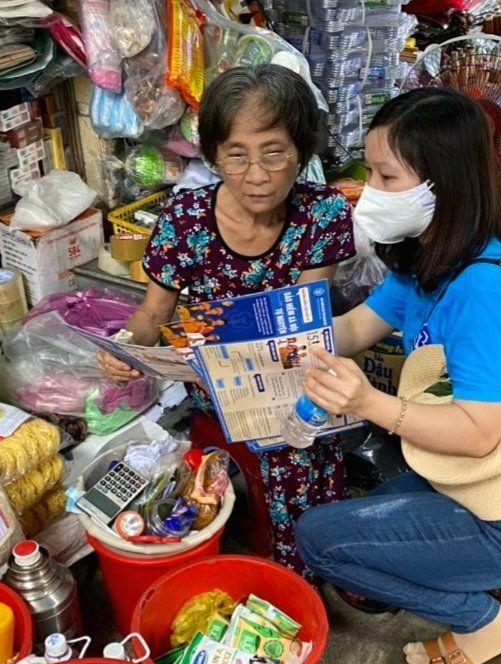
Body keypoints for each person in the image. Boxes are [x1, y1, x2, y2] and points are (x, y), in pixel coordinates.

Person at [295, 88, 501, 664]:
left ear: (440, 184)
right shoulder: (431, 258)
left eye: (387, 176)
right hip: (494, 485)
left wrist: (367, 402)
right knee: (374, 482)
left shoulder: (480, 291)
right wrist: (272, 346)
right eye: (371, 172)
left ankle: (488, 626)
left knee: (321, 541)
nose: (370, 192)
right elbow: (359, 325)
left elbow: (479, 434)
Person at [98, 65, 355, 578]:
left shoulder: (322, 214)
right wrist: (125, 347)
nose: (257, 175)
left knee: (292, 469)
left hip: (292, 392)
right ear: (214, 155)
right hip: (215, 392)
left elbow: (300, 327)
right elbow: (153, 313)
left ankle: (295, 579)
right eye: (236, 155)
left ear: (301, 152)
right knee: (212, 503)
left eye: (275, 152)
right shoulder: (184, 217)